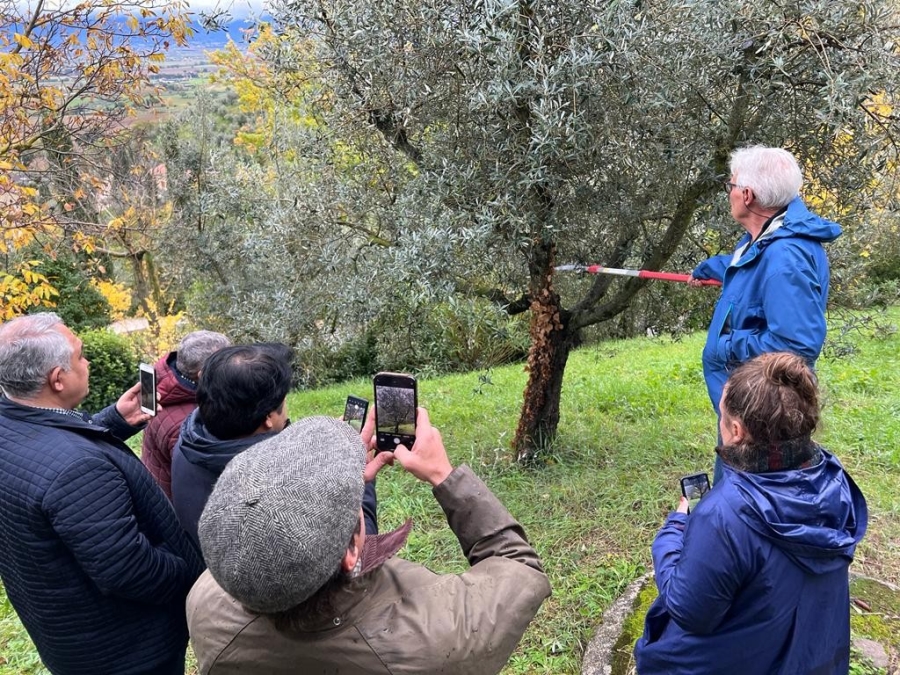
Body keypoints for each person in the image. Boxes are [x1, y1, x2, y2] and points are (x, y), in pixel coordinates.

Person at [187, 410, 552, 675]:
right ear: (350, 554)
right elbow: (518, 567)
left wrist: (337, 484)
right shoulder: (428, 641)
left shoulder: (204, 605)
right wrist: (444, 474)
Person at [634, 352, 867, 675]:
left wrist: (674, 528)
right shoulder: (832, 477)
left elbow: (691, 612)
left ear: (736, 430)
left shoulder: (724, 515)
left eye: (721, 414)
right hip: (812, 657)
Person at [0, 313, 204, 675]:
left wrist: (113, 420)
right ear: (57, 379)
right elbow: (129, 569)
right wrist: (189, 572)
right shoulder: (78, 470)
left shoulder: (12, 422)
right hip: (129, 652)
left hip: (68, 635)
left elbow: (46, 445)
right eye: (79, 356)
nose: (87, 362)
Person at [689, 146, 842, 483]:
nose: (729, 193)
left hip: (764, 416)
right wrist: (714, 268)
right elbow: (749, 268)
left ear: (747, 195)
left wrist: (727, 346)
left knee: (751, 503)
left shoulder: (786, 259)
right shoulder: (768, 238)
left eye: (731, 186)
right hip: (746, 407)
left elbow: (794, 346)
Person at [170, 343, 380, 549]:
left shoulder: (188, 441)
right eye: (283, 402)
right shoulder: (283, 487)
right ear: (268, 417)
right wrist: (358, 471)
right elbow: (356, 546)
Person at [142, 329, 231, 499]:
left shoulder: (162, 382)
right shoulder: (187, 424)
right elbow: (200, 484)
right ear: (203, 375)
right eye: (227, 363)